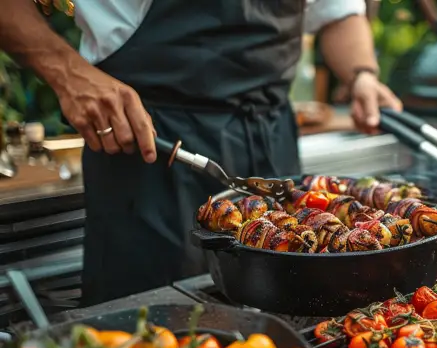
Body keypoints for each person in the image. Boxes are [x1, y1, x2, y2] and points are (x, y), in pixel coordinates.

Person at [0, 0, 403, 304]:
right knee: (152, 331)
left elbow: (336, 10)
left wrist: (362, 74)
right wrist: (68, 74)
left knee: (285, 315)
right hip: (149, 144)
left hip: (269, 141)